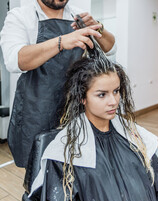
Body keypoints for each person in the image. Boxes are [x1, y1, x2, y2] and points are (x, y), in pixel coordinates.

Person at [29, 53, 158, 201]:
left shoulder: (134, 135)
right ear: (83, 98)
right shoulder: (66, 149)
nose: (114, 101)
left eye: (116, 91)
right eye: (102, 95)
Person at [0, 0, 116, 168]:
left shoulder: (77, 15)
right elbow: (15, 60)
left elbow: (111, 49)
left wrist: (99, 27)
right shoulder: (20, 17)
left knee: (76, 167)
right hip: (36, 111)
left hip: (74, 109)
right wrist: (61, 42)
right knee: (40, 173)